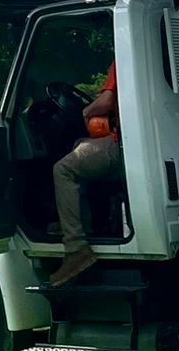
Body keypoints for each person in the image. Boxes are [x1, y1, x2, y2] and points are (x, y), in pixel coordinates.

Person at [50, 60, 124, 287]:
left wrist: (86, 110)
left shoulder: (121, 57)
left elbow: (107, 101)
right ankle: (80, 221)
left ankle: (76, 246)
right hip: (130, 142)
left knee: (63, 169)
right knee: (80, 146)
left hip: (119, 145)